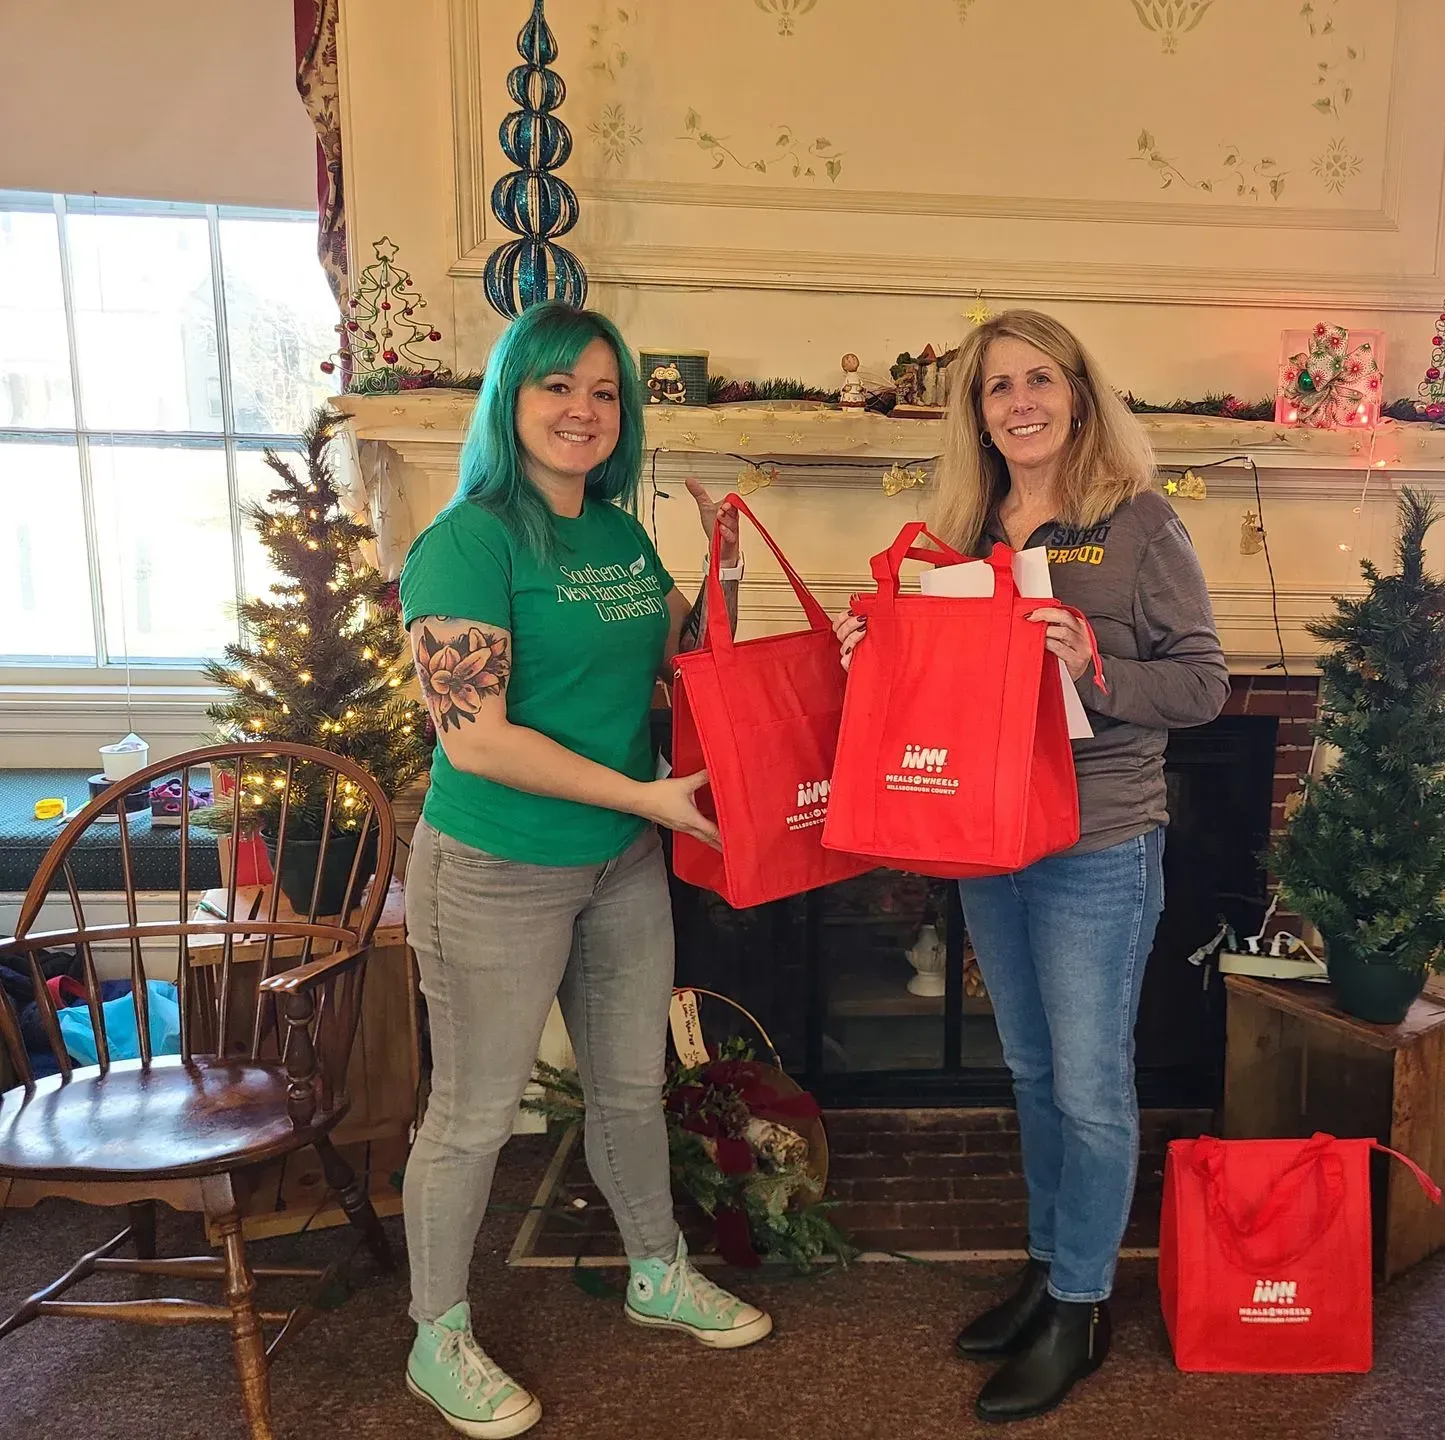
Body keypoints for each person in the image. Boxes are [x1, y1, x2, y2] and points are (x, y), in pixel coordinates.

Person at [836, 309, 1228, 1421]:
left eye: (1040, 379)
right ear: (978, 413)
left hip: (1096, 842)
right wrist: (882, 654)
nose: (1021, 402)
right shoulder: (962, 533)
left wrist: (1092, 665)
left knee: (1093, 1083)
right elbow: (943, 691)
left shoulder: (1140, 524)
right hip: (981, 836)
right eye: (998, 386)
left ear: (1079, 394)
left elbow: (1203, 688)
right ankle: (1053, 1269)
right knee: (1032, 1072)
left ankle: (1083, 1304)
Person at [399, 301, 766, 1438]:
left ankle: (655, 1269)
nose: (582, 410)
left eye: (604, 392)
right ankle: (436, 1334)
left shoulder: (614, 534)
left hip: (619, 864)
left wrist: (724, 571)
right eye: (558, 387)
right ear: (512, 399)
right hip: (496, 868)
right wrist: (647, 798)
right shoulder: (469, 538)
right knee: (471, 1115)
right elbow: (477, 737)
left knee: (627, 1086)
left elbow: (683, 663)